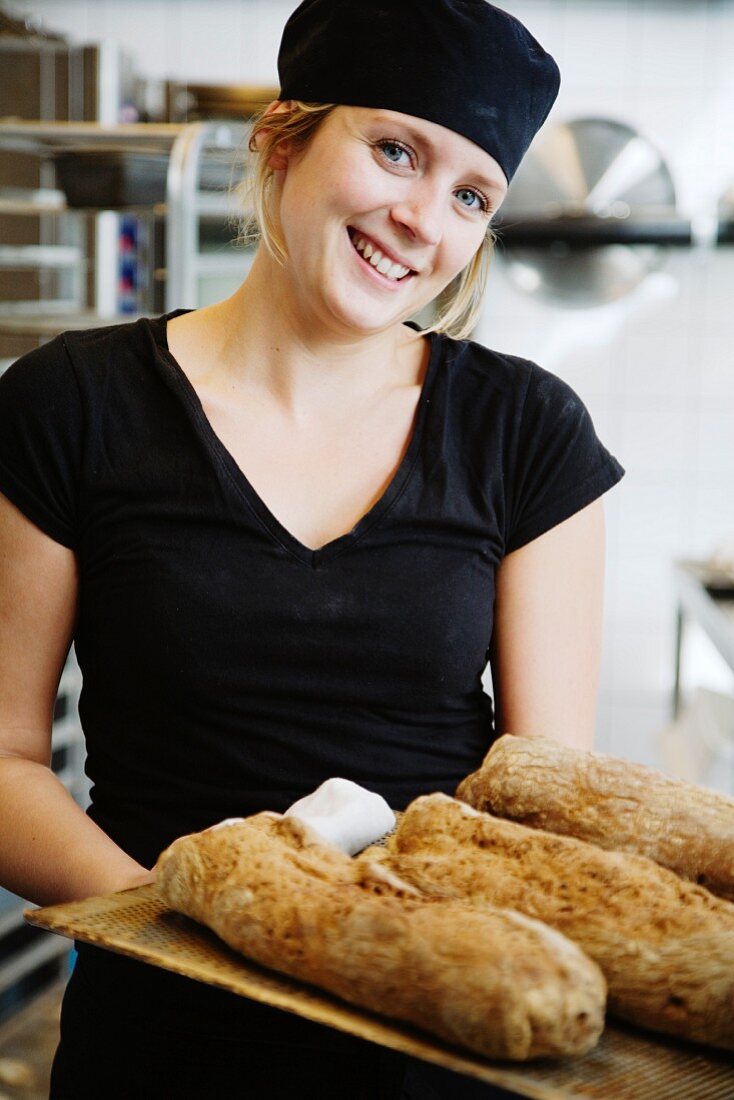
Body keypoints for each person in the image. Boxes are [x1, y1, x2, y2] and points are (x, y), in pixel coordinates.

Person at [0, 1, 623, 1097]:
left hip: (436, 1031)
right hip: (161, 1029)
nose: (420, 219)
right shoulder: (71, 404)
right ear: (282, 139)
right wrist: (191, 924)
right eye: (394, 149)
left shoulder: (525, 432)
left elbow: (539, 800)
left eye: (469, 195)